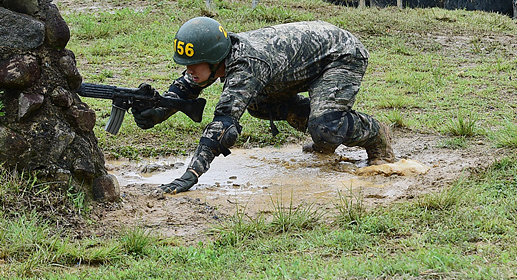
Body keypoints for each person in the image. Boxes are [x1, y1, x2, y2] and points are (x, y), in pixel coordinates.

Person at [137, 17, 396, 194]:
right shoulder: (216, 58)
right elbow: (184, 89)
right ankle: (325, 135)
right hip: (300, 64)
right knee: (260, 105)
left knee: (327, 126)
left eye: (193, 64)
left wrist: (191, 174)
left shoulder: (246, 66)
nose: (188, 70)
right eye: (185, 64)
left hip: (340, 54)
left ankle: (375, 134)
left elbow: (224, 127)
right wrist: (157, 112)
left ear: (215, 60)